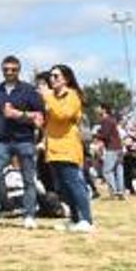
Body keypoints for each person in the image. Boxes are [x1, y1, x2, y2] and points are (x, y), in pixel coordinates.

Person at [0, 55, 45, 229]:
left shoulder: (29, 91)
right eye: (6, 69)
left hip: (24, 140)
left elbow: (39, 118)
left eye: (13, 69)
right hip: (2, 142)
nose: (9, 72)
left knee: (28, 178)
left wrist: (18, 115)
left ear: (19, 70)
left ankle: (29, 215)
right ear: (2, 70)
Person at [42, 65, 94, 232]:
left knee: (74, 184)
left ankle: (86, 220)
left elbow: (64, 115)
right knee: (63, 188)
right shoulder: (51, 98)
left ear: (66, 79)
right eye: (51, 76)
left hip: (68, 146)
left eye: (56, 76)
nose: (52, 79)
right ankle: (74, 218)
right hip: (53, 147)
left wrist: (47, 98)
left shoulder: (72, 95)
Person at [97, 104, 126, 199]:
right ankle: (121, 191)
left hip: (112, 148)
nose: (97, 109)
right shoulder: (112, 120)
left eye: (99, 108)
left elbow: (105, 135)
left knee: (107, 171)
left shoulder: (105, 120)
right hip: (119, 147)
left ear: (104, 110)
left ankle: (114, 191)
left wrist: (97, 134)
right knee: (119, 169)